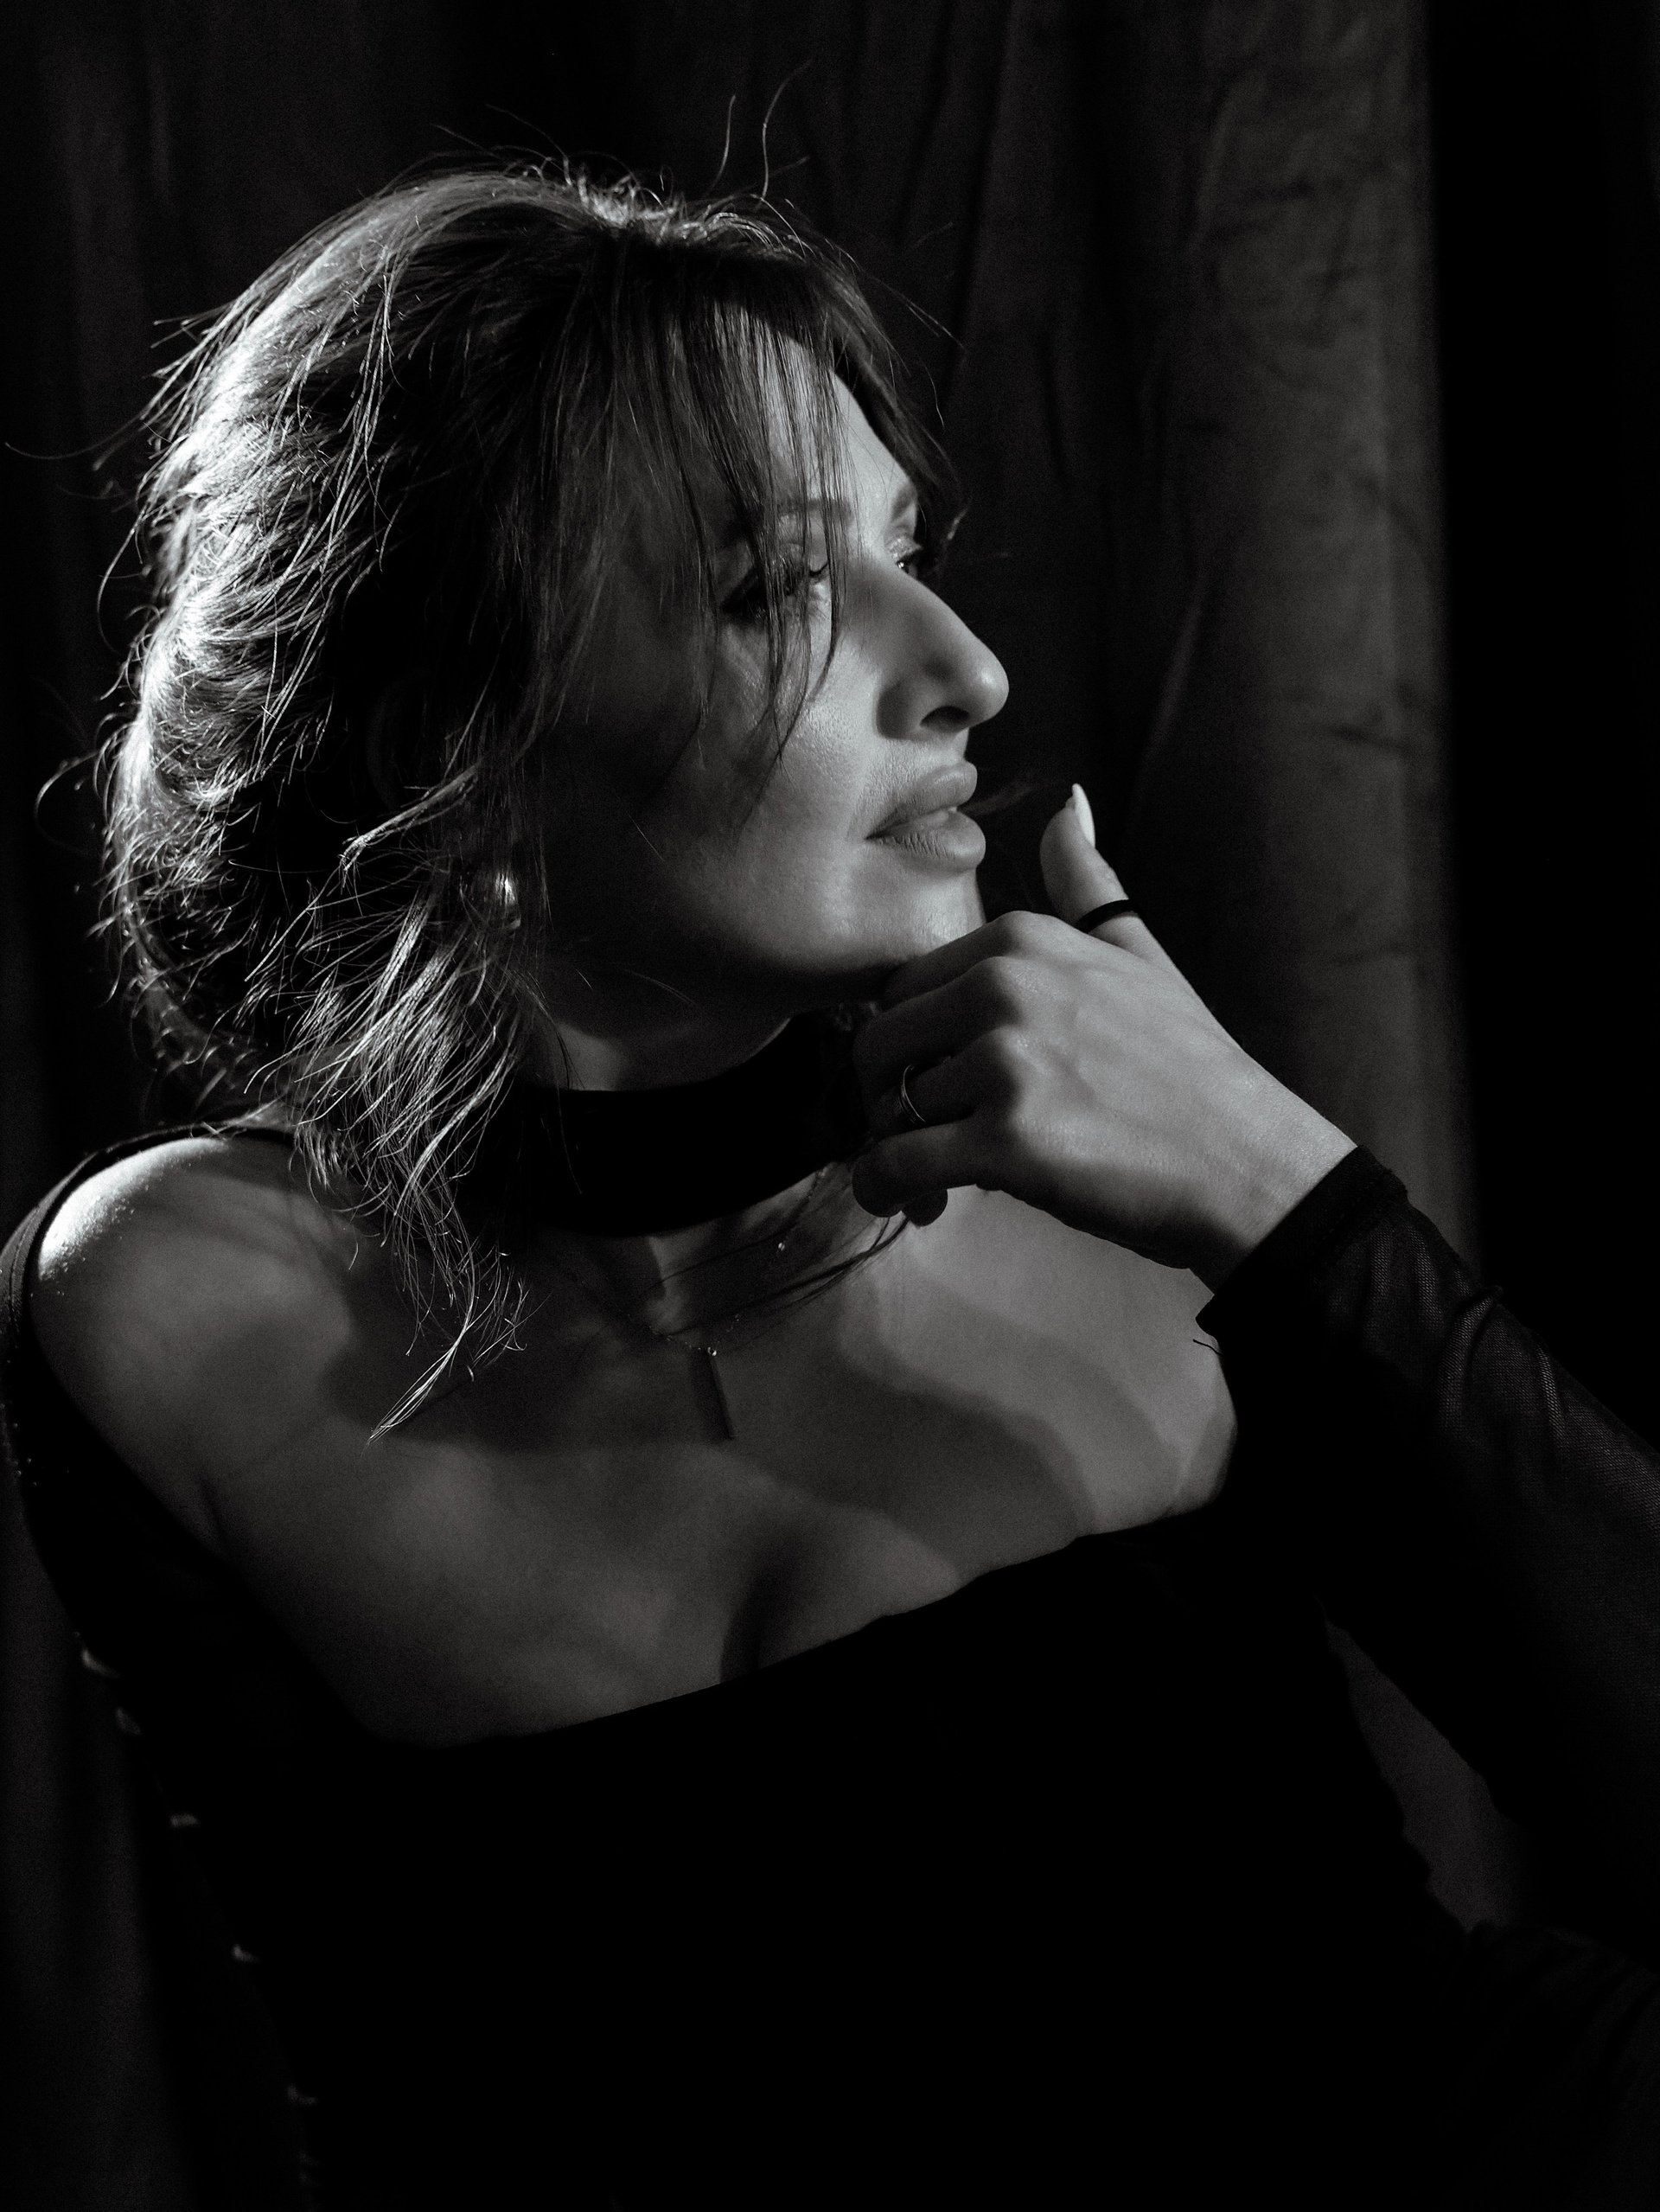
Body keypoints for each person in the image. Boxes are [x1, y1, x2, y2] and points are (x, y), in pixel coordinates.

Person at [1, 163, 1657, 2208]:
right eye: (780, 589)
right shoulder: (175, 1311)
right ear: (469, 756)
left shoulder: (1137, 1184)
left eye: (907, 549)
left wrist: (1293, 1204)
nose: (964, 664)